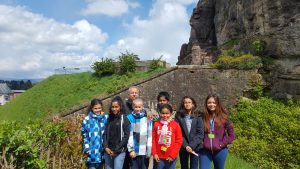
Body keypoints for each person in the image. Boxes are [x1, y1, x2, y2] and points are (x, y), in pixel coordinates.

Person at [200, 94, 235, 169]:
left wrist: (221, 144)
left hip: (220, 151)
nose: (211, 104)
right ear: (206, 104)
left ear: (218, 103)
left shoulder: (224, 117)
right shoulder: (202, 117)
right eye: (209, 102)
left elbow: (232, 135)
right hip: (205, 151)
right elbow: (197, 131)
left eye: (214, 102)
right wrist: (202, 142)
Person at [175, 96, 204, 169]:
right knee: (184, 166)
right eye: (185, 102)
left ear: (193, 104)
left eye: (189, 102)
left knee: (194, 167)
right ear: (183, 104)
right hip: (183, 146)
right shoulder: (178, 116)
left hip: (195, 146)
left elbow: (200, 133)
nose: (187, 104)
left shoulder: (198, 115)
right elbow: (178, 132)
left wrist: (191, 146)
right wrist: (186, 145)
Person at [103, 96, 130, 169]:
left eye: (116, 107)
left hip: (119, 152)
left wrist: (116, 150)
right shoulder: (109, 118)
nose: (114, 109)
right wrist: (105, 147)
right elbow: (105, 134)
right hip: (108, 151)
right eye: (112, 107)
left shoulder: (124, 119)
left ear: (120, 107)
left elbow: (126, 136)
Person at [152, 104, 182, 169]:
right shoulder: (156, 124)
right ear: (160, 113)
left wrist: (172, 155)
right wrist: (154, 153)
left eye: (167, 113)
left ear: (171, 113)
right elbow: (153, 139)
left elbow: (179, 141)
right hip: (159, 156)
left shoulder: (175, 125)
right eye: (163, 113)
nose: (165, 115)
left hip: (170, 156)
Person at [82, 99, 108, 169]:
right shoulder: (87, 119)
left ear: (102, 107)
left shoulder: (106, 118)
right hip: (92, 151)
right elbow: (85, 136)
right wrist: (87, 149)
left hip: (103, 151)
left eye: (99, 108)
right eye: (95, 108)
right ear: (91, 108)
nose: (97, 110)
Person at [127, 98, 152, 169]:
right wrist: (131, 150)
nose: (137, 109)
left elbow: (150, 135)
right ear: (132, 107)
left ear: (143, 107)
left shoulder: (147, 117)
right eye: (136, 107)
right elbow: (129, 135)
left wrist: (149, 150)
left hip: (144, 150)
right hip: (134, 150)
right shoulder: (129, 118)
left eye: (139, 107)